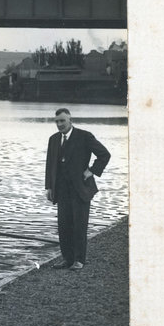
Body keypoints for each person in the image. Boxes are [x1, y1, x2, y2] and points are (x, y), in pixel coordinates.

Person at [45, 108, 111, 270]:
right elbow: (50, 165)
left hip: (80, 188)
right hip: (61, 189)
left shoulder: (84, 136)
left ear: (70, 120)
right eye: (57, 121)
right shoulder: (53, 139)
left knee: (79, 225)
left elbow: (104, 154)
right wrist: (49, 187)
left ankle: (79, 260)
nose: (59, 124)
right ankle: (67, 259)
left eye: (62, 121)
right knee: (63, 225)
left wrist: (91, 171)